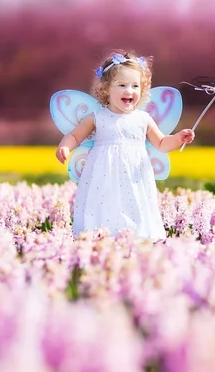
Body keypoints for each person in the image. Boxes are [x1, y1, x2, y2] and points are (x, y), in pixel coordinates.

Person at [55, 50, 195, 242]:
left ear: (143, 89)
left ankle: (138, 236)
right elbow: (74, 136)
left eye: (135, 86)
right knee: (103, 204)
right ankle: (101, 234)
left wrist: (179, 138)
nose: (129, 91)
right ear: (106, 89)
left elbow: (161, 143)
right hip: (103, 176)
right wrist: (65, 147)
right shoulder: (97, 118)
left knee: (136, 203)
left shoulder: (143, 119)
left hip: (135, 176)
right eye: (122, 85)